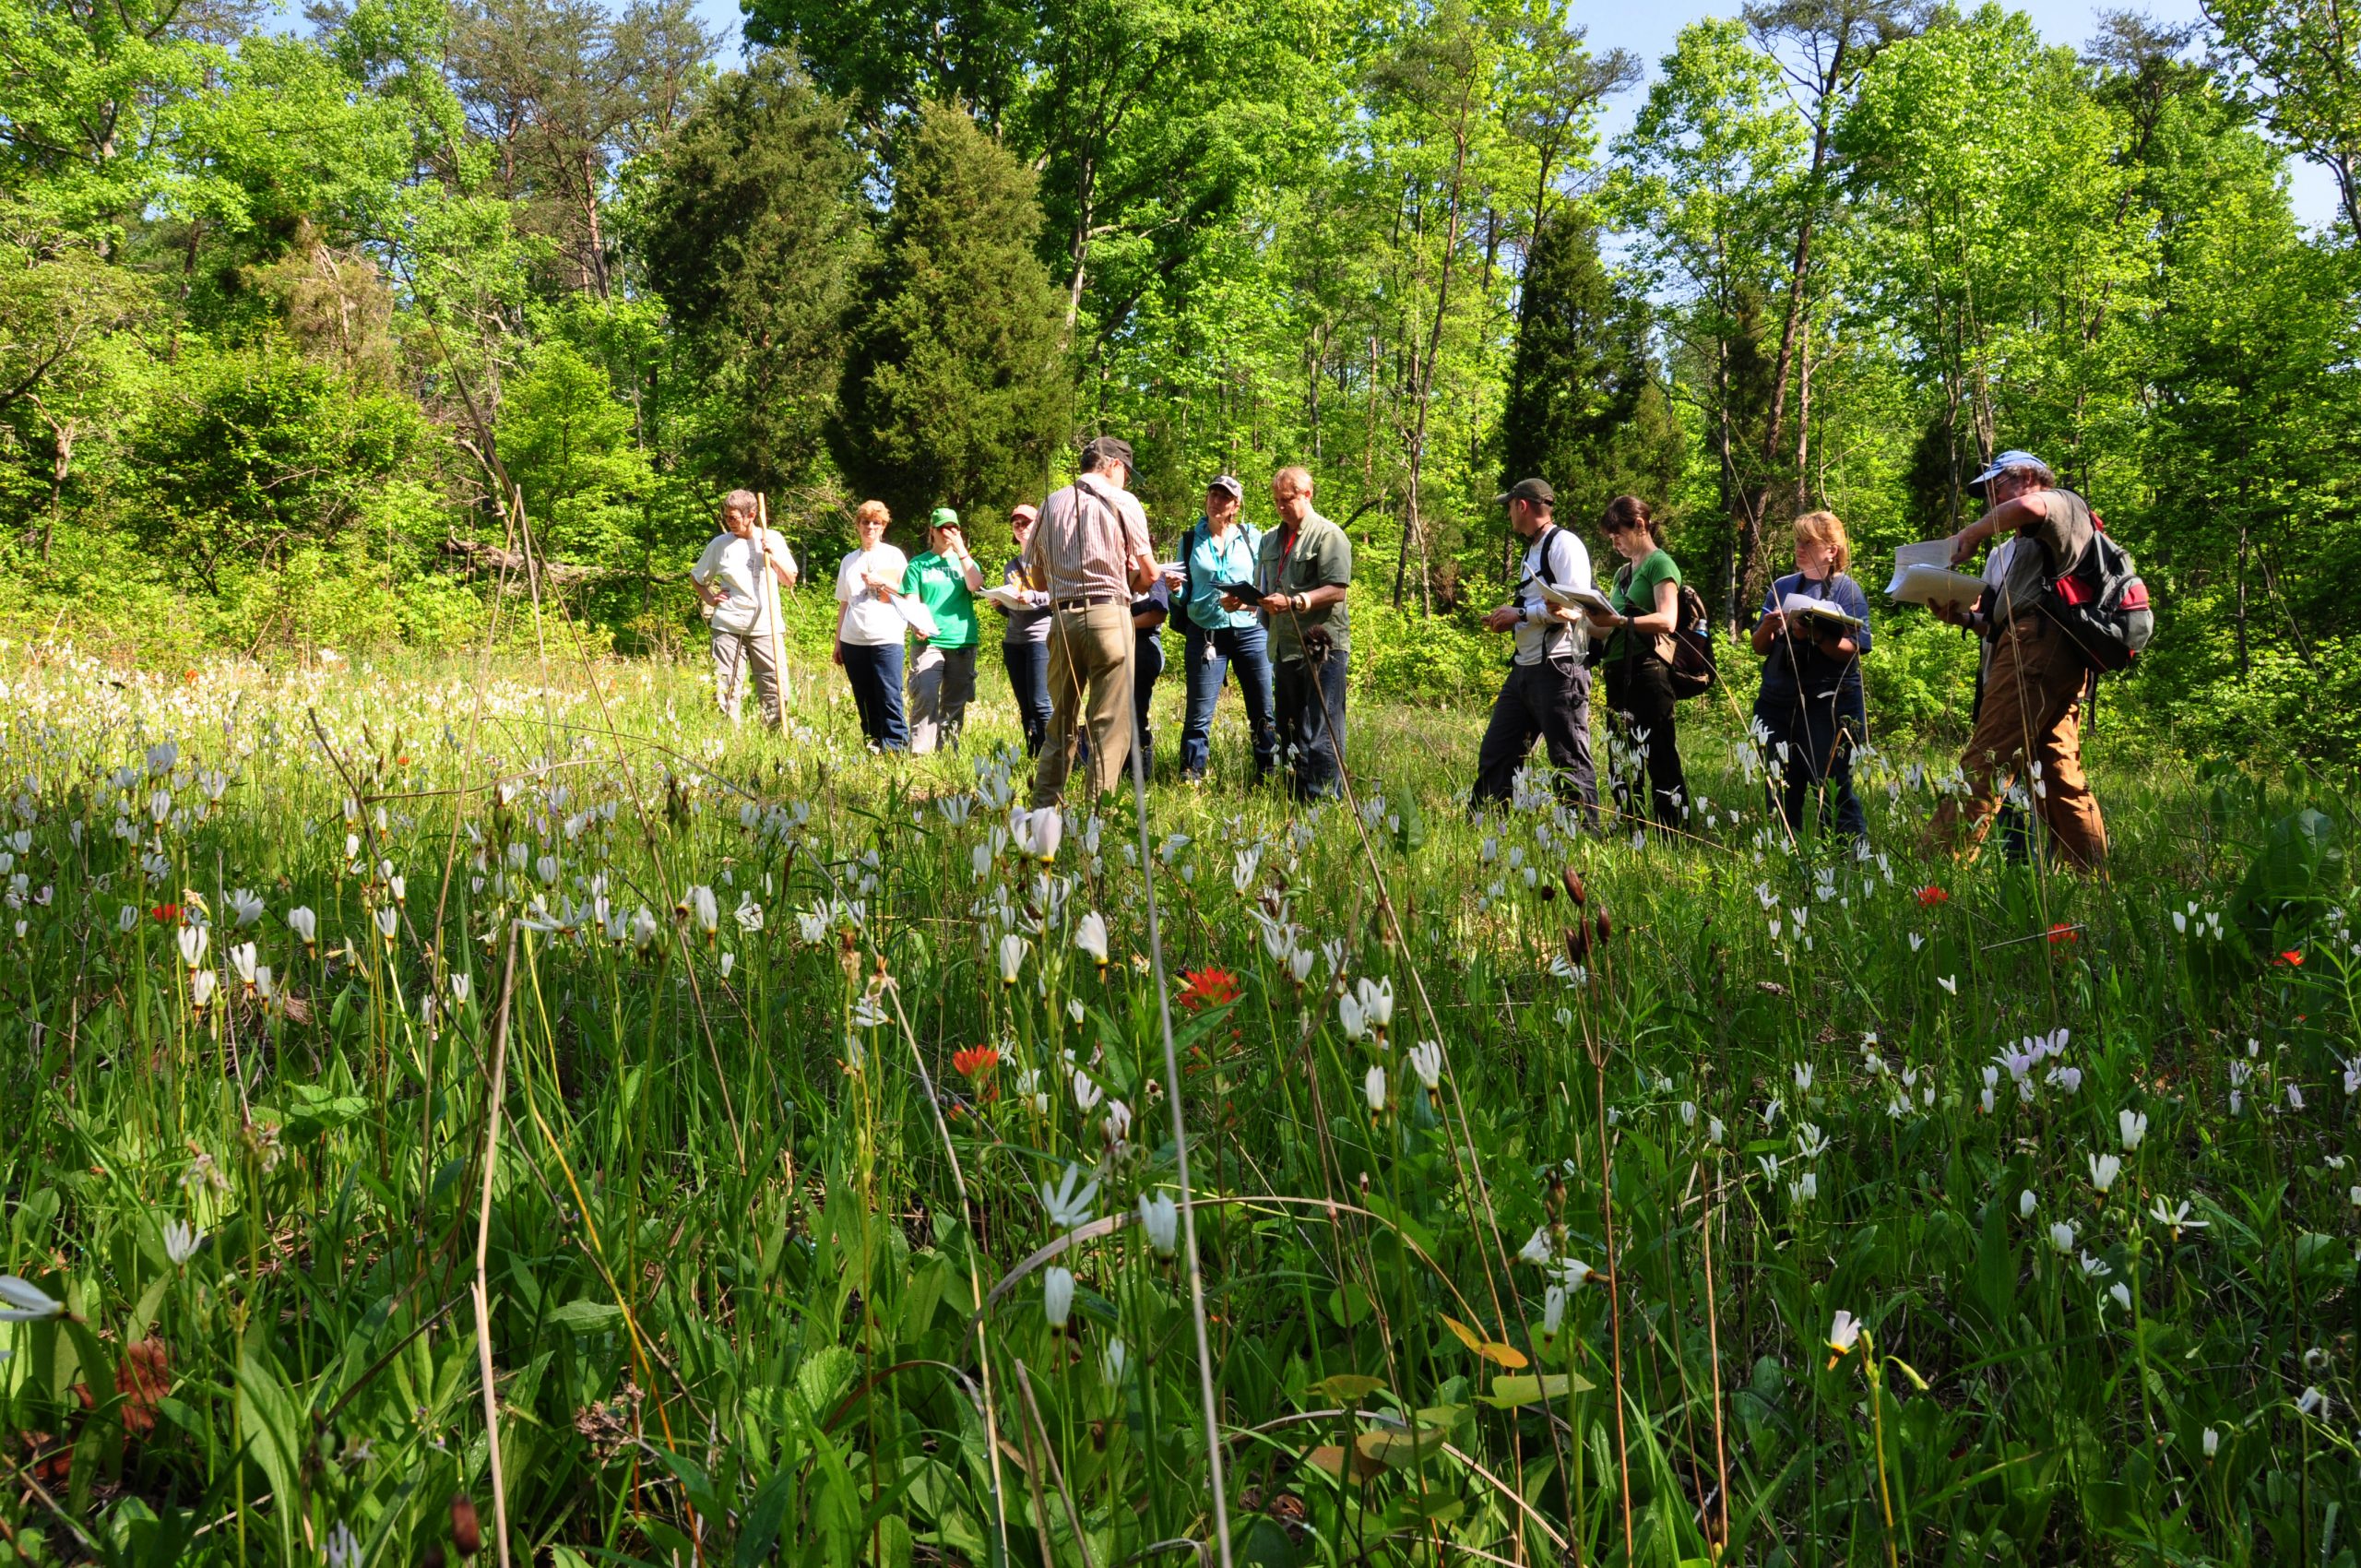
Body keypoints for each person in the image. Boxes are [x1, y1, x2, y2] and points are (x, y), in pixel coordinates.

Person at [1924, 450, 2108, 871]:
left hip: (2036, 649)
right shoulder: (2023, 546)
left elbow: (2026, 506)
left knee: (1987, 757)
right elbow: (2000, 623)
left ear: (2028, 475)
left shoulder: (2063, 502)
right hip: (2037, 650)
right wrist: (1966, 619)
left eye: (1996, 485)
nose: (1990, 496)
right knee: (2058, 773)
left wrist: (1968, 536)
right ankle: (2092, 878)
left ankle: (1934, 875)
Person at [1025, 436, 1158, 807]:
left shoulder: (1050, 503)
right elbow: (1149, 575)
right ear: (1114, 465)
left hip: (1063, 619)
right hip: (1110, 616)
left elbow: (1036, 580)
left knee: (1061, 722)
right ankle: (1097, 820)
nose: (1126, 481)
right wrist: (1126, 578)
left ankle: (1044, 810)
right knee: (1109, 725)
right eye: (1126, 473)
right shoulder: (1123, 501)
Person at [1469, 478, 1596, 821]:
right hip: (1524, 670)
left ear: (1522, 505)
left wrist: (1521, 614)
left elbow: (1574, 607)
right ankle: (1485, 828)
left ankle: (1583, 835)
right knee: (1498, 752)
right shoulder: (1533, 549)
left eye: (1509, 506)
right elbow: (1538, 606)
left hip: (1559, 669)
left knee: (1568, 758)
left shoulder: (1564, 544)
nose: (1508, 513)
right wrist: (1507, 616)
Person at [1750, 511, 1871, 845]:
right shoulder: (1782, 586)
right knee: (1778, 781)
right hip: (1777, 699)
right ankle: (1784, 850)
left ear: (1832, 550)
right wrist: (1768, 628)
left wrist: (1816, 634)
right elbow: (1759, 647)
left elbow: (1856, 647)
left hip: (1829, 700)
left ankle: (1848, 855)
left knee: (1831, 783)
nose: (1800, 549)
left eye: (1808, 542)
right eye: (1797, 542)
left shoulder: (1848, 590)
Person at [1585, 495, 1687, 832]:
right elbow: (1604, 629)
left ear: (1640, 526)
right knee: (1620, 751)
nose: (1614, 543)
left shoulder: (1660, 564)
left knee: (1658, 750)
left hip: (1648, 668)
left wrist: (1617, 622)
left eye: (1618, 535)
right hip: (1617, 670)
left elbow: (1667, 619)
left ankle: (1672, 829)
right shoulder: (1621, 573)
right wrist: (1575, 615)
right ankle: (1629, 823)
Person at [1252, 466, 1351, 800]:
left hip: (1322, 647)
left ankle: (1323, 802)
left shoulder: (1328, 535)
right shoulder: (1269, 539)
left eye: (1288, 499)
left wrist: (1295, 602)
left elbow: (1337, 589)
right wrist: (1241, 600)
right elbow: (1262, 588)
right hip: (1284, 646)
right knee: (1289, 729)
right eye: (1277, 500)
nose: (1281, 506)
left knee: (1323, 729)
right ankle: (1295, 799)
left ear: (1307, 495)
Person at [1171, 476, 1277, 785]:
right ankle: (1191, 777)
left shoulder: (1252, 537)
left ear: (1236, 505)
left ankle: (1268, 776)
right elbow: (1184, 593)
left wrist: (1246, 604)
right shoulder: (1191, 539)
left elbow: (1266, 587)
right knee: (1198, 713)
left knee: (1262, 709)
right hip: (1206, 633)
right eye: (1213, 494)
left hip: (1251, 632)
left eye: (1225, 497)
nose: (1216, 501)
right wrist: (1175, 589)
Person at [690, 490, 797, 727]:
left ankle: (773, 735)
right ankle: (730, 738)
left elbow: (790, 580)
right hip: (729, 625)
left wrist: (773, 555)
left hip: (766, 625)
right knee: (726, 686)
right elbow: (697, 577)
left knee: (775, 686)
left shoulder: (773, 538)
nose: (729, 523)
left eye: (734, 518)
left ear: (751, 515)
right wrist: (709, 598)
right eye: (727, 517)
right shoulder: (720, 545)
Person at [902, 508, 986, 754]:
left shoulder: (965, 561)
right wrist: (916, 623)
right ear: (932, 532)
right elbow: (911, 600)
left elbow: (976, 584)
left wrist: (962, 551)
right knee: (926, 692)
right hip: (929, 640)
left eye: (954, 528)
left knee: (955, 701)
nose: (948, 532)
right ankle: (920, 752)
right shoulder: (918, 563)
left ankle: (947, 750)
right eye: (942, 528)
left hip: (961, 639)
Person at [833, 499, 912, 752]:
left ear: (883, 527)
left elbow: (908, 594)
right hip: (853, 638)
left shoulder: (893, 555)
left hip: (886, 636)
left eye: (876, 523)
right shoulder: (849, 560)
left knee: (889, 694)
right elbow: (844, 603)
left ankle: (897, 746)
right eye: (865, 522)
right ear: (858, 525)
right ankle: (873, 742)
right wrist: (837, 642)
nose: (870, 527)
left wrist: (881, 583)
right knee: (864, 696)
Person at [998, 504, 1053, 754]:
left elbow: (1058, 595)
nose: (1021, 528)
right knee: (1025, 705)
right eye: (1016, 524)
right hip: (1014, 638)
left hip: (1041, 636)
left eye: (1026, 523)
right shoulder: (1010, 565)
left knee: (1041, 702)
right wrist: (1000, 602)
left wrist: (1033, 597)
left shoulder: (1050, 558)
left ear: (1038, 526)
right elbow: (1010, 608)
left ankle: (1053, 755)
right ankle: (1033, 754)